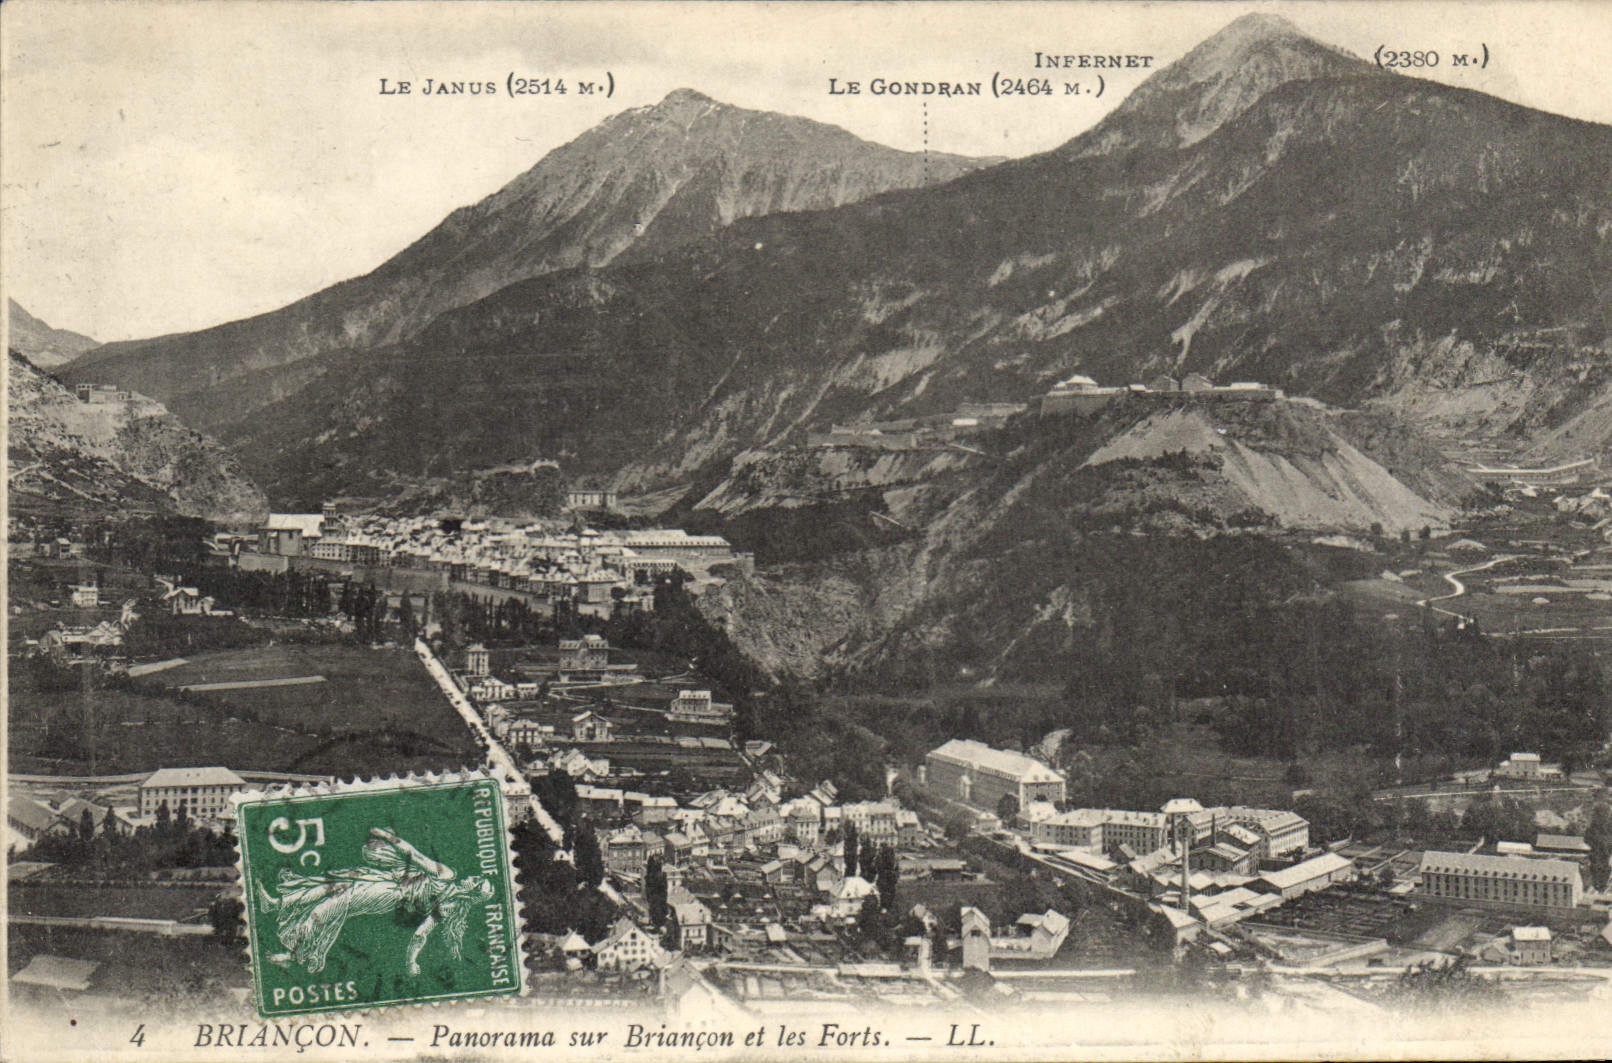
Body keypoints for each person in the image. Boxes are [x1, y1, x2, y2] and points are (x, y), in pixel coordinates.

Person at [256, 826, 494, 976]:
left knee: (327, 909)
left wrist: (388, 837)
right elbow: (421, 934)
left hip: (388, 893)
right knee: (331, 885)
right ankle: (277, 904)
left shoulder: (447, 877)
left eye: (475, 880)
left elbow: (415, 855)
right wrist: (411, 963)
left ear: (471, 889)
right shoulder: (449, 905)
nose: (471, 877)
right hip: (387, 881)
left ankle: (292, 955)